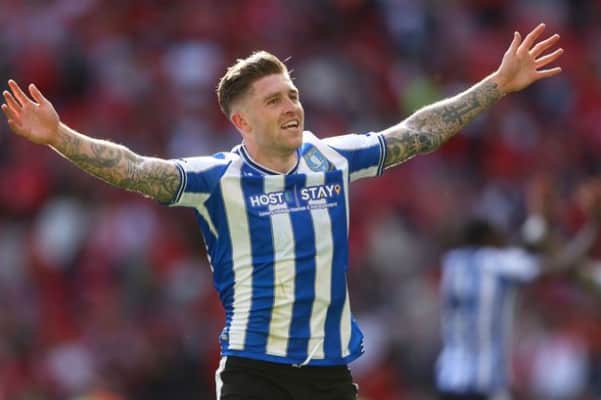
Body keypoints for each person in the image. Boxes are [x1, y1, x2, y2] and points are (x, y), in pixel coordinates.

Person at [2, 23, 563, 400]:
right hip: (255, 375)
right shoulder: (216, 180)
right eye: (274, 100)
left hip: (329, 374)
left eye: (292, 94)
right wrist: (60, 137)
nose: (292, 106)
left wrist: (497, 85)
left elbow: (417, 132)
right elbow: (133, 167)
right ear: (241, 122)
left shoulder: (332, 159)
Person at [435, 179, 601, 400]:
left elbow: (516, 249)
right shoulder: (494, 262)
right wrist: (593, 228)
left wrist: (538, 224)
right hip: (482, 385)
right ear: (487, 239)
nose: (503, 242)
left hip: (449, 380)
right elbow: (557, 268)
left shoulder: (453, 263)